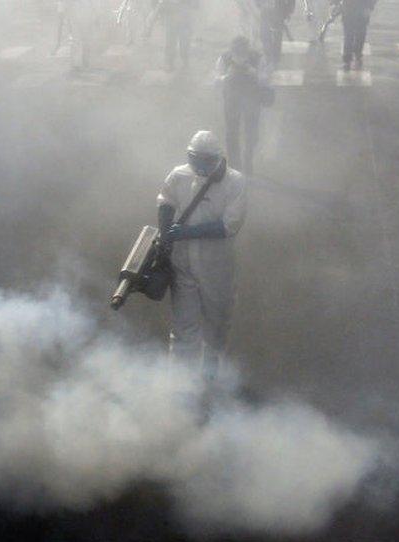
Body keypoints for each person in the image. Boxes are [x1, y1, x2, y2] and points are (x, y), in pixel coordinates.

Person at [157, 131, 248, 378]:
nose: (201, 165)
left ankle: (210, 374)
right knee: (184, 326)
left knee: (217, 319)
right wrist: (166, 233)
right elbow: (165, 200)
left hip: (216, 265)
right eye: (196, 159)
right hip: (183, 263)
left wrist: (186, 232)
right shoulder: (179, 175)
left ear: (219, 159)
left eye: (207, 160)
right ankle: (180, 381)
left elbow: (229, 225)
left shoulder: (235, 182)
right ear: (189, 156)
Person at [215, 36, 268, 175]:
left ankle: (248, 157)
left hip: (252, 100)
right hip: (232, 101)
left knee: (251, 132)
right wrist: (226, 77)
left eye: (242, 53)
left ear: (247, 50)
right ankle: (234, 164)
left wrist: (253, 72)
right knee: (232, 132)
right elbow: (217, 79)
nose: (239, 57)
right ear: (232, 51)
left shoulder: (257, 58)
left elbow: (264, 79)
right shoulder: (224, 58)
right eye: (236, 53)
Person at [153, 0, 196, 71]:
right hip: (172, 16)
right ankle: (170, 63)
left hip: (183, 16)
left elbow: (193, 4)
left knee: (184, 42)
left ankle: (184, 62)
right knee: (170, 41)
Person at [257, 0, 295, 66]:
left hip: (279, 11)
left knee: (277, 36)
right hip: (267, 11)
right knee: (265, 35)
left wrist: (288, 11)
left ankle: (274, 60)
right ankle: (269, 58)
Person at [341, 0, 376, 72]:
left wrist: (370, 7)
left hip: (357, 7)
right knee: (352, 33)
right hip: (354, 7)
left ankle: (353, 54)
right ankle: (351, 54)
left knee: (354, 33)